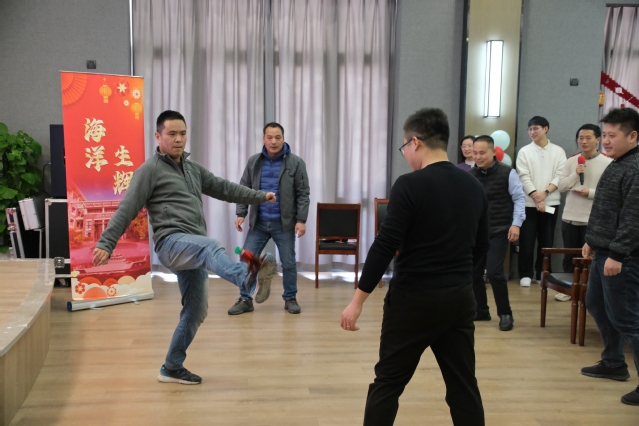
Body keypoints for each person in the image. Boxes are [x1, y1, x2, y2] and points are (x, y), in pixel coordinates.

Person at [92, 110, 278, 385]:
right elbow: (127, 208)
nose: (179, 139)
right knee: (212, 247)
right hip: (171, 243)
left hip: (194, 246)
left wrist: (260, 196)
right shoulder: (149, 170)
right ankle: (247, 277)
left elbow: (225, 188)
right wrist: (106, 243)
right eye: (172, 134)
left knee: (195, 311)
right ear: (158, 136)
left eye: (182, 134)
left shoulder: (192, 169)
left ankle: (171, 367)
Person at [341, 108, 488, 426]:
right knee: (463, 387)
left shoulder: (409, 185)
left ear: (415, 142)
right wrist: (461, 280)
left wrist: (357, 300)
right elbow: (482, 247)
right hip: (459, 299)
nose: (405, 153)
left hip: (413, 300)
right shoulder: (473, 186)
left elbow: (384, 245)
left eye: (404, 147)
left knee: (388, 383)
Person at [581, 107, 639, 407]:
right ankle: (614, 362)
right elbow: (606, 209)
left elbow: (633, 218)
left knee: (628, 320)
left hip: (622, 257)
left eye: (612, 135)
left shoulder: (635, 168)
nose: (605, 140)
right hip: (603, 251)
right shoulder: (618, 163)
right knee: (596, 304)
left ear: (633, 136)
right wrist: (592, 241)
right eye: (604, 134)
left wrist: (617, 253)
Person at [230, 122, 310, 315]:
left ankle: (290, 298)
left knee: (288, 263)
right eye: (269, 137)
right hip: (258, 222)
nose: (273, 141)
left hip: (284, 224)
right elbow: (243, 188)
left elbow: (303, 194)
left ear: (283, 138)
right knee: (246, 260)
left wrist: (301, 220)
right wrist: (241, 213)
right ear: (264, 139)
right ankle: (245, 299)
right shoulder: (254, 162)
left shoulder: (296, 163)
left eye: (277, 137)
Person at [470, 135, 525, 331]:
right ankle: (481, 310)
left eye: (482, 153)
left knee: (494, 272)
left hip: (500, 229)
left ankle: (505, 313)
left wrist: (516, 224)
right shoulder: (470, 175)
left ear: (494, 152)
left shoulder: (507, 173)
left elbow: (519, 198)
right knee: (473, 273)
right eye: (475, 153)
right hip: (477, 233)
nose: (478, 157)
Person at [555, 124, 611, 301]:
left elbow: (610, 193)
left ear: (598, 139)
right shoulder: (572, 161)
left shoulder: (607, 162)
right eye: (581, 138)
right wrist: (575, 174)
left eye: (588, 138)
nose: (584, 141)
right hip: (570, 217)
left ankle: (589, 292)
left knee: (589, 257)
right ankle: (570, 289)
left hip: (591, 220)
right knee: (569, 256)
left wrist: (590, 193)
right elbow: (561, 186)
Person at [516, 116, 566, 286]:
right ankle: (525, 274)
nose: (532, 132)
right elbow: (523, 176)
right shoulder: (524, 151)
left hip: (551, 203)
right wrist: (536, 197)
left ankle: (542, 273)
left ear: (546, 129)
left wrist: (544, 194)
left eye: (535, 128)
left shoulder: (558, 151)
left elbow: (560, 175)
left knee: (547, 240)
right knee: (527, 240)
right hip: (529, 203)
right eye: (530, 129)